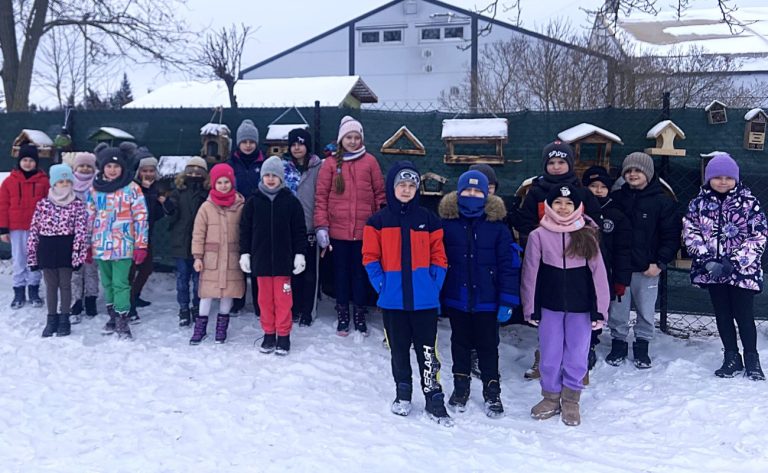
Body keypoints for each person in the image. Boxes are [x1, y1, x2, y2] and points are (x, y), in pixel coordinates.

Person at [362, 161, 452, 426]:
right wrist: (382, 285)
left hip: (424, 301)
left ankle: (433, 395)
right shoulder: (377, 221)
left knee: (427, 351)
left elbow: (440, 257)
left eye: (411, 185)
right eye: (401, 184)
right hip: (393, 301)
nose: (406, 189)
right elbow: (370, 257)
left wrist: (433, 285)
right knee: (398, 350)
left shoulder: (429, 219)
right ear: (392, 187)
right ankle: (403, 392)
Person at [521, 184, 609, 427]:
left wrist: (600, 308)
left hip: (581, 308)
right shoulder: (538, 236)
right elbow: (530, 273)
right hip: (550, 306)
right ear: (549, 206)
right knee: (549, 354)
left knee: (577, 355)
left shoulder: (587, 234)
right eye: (557, 202)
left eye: (568, 203)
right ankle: (550, 397)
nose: (562, 207)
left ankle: (571, 399)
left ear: (577, 207)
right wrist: (530, 306)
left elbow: (598, 274)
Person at [516, 141, 602, 380]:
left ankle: (578, 362)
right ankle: (543, 358)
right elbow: (523, 222)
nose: (556, 167)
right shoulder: (536, 191)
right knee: (549, 318)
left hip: (577, 263)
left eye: (561, 162)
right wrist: (546, 237)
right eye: (551, 162)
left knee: (578, 318)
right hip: (546, 263)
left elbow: (594, 223)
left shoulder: (582, 192)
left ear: (570, 164)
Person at [438, 170, 520, 418]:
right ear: (458, 192)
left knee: (488, 346)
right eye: (467, 190)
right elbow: (439, 262)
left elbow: (509, 265)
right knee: (459, 343)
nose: (471, 195)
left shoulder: (497, 227)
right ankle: (461, 386)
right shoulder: (447, 224)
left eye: (477, 191)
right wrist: (439, 298)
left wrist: (507, 300)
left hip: (487, 299)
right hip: (457, 298)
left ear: (485, 194)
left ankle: (491, 390)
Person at [683, 153, 766, 381]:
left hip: (743, 272)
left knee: (744, 314)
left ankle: (752, 358)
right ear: (708, 178)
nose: (722, 181)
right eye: (717, 177)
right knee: (722, 314)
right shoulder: (698, 204)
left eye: (728, 177)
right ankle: (731, 357)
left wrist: (735, 261)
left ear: (736, 179)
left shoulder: (749, 203)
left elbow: (758, 235)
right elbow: (691, 233)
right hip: (712, 271)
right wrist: (707, 261)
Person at [606, 152, 680, 369]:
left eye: (638, 170)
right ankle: (618, 343)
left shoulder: (662, 203)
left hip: (647, 268)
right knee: (618, 309)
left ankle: (642, 346)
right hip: (620, 268)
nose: (633, 174)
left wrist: (660, 262)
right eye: (628, 171)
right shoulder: (616, 200)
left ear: (648, 173)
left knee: (646, 310)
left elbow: (670, 236)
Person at [314, 115, 385, 336]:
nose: (353, 141)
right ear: (341, 139)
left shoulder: (370, 162)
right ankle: (343, 313)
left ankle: (359, 312)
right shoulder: (329, 164)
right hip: (338, 232)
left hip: (364, 233)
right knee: (341, 275)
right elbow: (321, 197)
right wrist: (322, 227)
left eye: (356, 137)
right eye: (348, 137)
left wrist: (379, 225)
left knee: (360, 274)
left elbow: (379, 193)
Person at [240, 156, 307, 356]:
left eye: (274, 175)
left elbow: (299, 231)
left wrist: (299, 254)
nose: (270, 179)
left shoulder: (291, 202)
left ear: (281, 178)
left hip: (283, 263)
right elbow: (245, 231)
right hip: (260, 263)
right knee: (264, 300)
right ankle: (269, 333)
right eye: (267, 175)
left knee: (283, 300)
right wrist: (245, 253)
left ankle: (284, 335)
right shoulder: (252, 202)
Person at [86, 146, 149, 340]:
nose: (112, 170)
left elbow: (141, 217)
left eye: (116, 166)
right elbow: (89, 217)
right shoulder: (94, 189)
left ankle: (123, 318)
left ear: (122, 167)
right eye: (109, 166)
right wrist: (87, 244)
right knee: (108, 283)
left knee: (121, 283)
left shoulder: (132, 189)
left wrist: (141, 244)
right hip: (101, 244)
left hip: (123, 245)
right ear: (102, 168)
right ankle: (112, 316)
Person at [27, 164, 89, 337]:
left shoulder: (77, 205)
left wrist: (78, 256)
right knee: (51, 286)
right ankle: (51, 318)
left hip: (66, 249)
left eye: (67, 181)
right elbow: (34, 230)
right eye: (60, 181)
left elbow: (81, 232)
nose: (64, 184)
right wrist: (32, 257)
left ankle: (64, 318)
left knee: (65, 285)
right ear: (53, 183)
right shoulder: (43, 204)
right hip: (47, 249)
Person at [581, 166, 632, 376]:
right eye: (593, 186)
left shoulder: (616, 215)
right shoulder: (576, 211)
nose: (598, 190)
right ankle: (583, 344)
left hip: (606, 271)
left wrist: (621, 279)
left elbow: (623, 249)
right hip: (580, 271)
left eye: (603, 186)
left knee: (598, 306)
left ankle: (593, 341)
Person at [190, 164, 246, 345]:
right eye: (219, 182)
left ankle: (221, 329)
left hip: (232, 257)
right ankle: (200, 328)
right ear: (214, 184)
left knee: (227, 293)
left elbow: (245, 230)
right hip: (210, 258)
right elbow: (198, 233)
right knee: (206, 293)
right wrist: (197, 256)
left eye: (226, 182)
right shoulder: (206, 207)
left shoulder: (240, 205)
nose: (223, 185)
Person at [0, 143, 49, 309]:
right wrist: (3, 229)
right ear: (19, 161)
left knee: (35, 259)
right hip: (16, 228)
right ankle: (19, 291)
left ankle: (34, 290)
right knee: (19, 260)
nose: (28, 163)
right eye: (25, 159)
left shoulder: (44, 181)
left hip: (37, 228)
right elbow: (3, 205)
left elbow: (49, 205)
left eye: (31, 160)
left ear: (36, 162)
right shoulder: (9, 182)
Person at [282, 128, 323, 327]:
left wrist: (320, 225)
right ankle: (293, 308)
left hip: (310, 228)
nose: (297, 148)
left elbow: (322, 197)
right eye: (293, 144)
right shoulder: (283, 167)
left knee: (309, 273)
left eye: (300, 143)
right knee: (291, 272)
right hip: (288, 229)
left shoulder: (318, 167)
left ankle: (308, 310)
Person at [162, 157, 209, 326]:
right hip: (181, 243)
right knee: (182, 278)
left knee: (199, 279)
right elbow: (172, 215)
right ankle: (183, 308)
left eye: (199, 170)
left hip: (201, 243)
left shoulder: (207, 193)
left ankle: (196, 307)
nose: (195, 173)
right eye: (191, 170)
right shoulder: (178, 192)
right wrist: (168, 206)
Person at [227, 119, 266, 316]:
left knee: (258, 257)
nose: (248, 145)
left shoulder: (265, 162)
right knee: (238, 257)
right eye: (244, 141)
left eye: (251, 141)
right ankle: (237, 299)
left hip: (260, 216)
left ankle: (260, 302)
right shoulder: (230, 164)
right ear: (238, 143)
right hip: (236, 215)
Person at [127, 151, 165, 323]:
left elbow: (156, 214)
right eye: (145, 171)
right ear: (139, 172)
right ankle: (127, 302)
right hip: (131, 235)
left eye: (151, 171)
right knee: (130, 269)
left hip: (147, 234)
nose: (148, 174)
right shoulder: (133, 188)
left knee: (147, 268)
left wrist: (161, 202)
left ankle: (134, 295)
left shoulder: (156, 188)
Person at [70, 152, 100, 320]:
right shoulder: (69, 184)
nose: (85, 168)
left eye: (89, 166)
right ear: (75, 168)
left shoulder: (97, 184)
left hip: (93, 233)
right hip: (73, 234)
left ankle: (91, 298)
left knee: (91, 269)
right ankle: (76, 300)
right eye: (82, 165)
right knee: (75, 270)